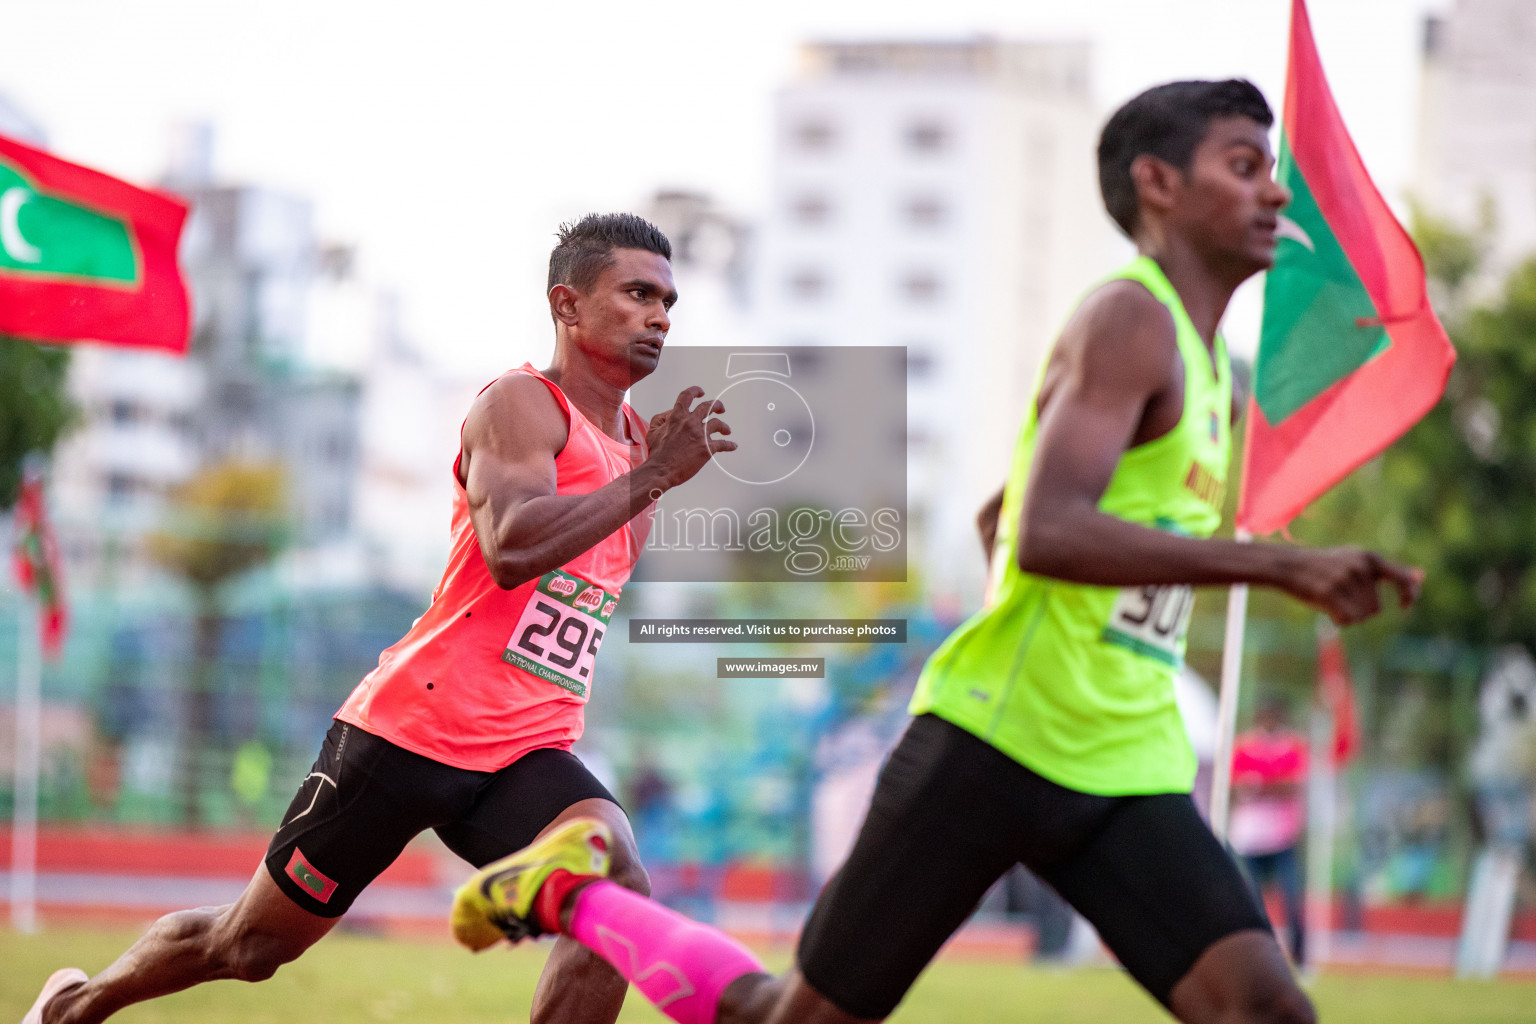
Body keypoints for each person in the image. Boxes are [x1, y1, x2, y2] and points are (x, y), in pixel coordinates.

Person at [449, 80, 1423, 1024]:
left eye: (1272, 168)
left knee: (1265, 1007)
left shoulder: (1212, 366)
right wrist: (1279, 564)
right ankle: (576, 900)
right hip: (993, 743)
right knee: (791, 1017)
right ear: (1159, 183)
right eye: (1244, 164)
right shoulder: (1131, 318)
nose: (1276, 191)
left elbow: (1006, 514)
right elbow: (1042, 532)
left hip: (1125, 754)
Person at [20, 213, 736, 1024]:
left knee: (615, 893)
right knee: (250, 947)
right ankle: (73, 1009)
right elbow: (510, 547)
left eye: (669, 301)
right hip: (410, 733)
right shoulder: (522, 405)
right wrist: (656, 481)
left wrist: (656, 473)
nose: (660, 317)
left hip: (526, 749)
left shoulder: (646, 449)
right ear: (566, 305)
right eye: (638, 293)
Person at [1230, 696, 1311, 967]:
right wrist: (1269, 785)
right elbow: (1237, 787)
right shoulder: (1244, 745)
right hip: (1249, 838)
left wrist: (1260, 786)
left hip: (1282, 836)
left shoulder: (1292, 746)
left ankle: (1300, 954)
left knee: (1291, 899)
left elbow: (1292, 786)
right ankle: (1258, 955)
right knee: (1250, 900)